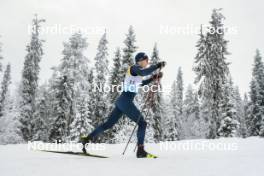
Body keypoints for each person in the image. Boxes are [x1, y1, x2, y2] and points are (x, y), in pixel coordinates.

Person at [81, 52, 166, 158]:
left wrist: (153, 78)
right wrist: (157, 66)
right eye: (146, 60)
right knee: (142, 123)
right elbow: (144, 73)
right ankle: (140, 151)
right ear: (140, 60)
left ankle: (86, 139)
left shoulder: (137, 74)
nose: (148, 62)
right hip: (125, 101)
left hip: (122, 101)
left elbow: (142, 83)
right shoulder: (134, 68)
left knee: (108, 124)